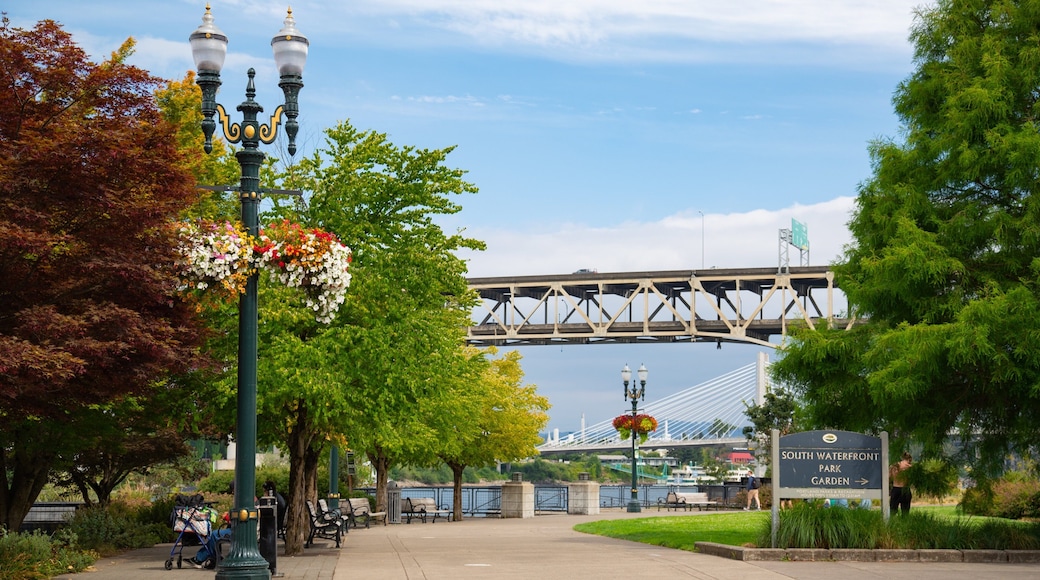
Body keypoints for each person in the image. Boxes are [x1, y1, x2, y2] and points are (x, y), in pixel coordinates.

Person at [889, 451, 913, 515]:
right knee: (905, 512)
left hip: (896, 489)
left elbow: (889, 478)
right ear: (909, 459)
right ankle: (905, 523)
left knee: (893, 511)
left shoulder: (893, 467)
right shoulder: (910, 467)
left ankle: (892, 524)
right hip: (906, 490)